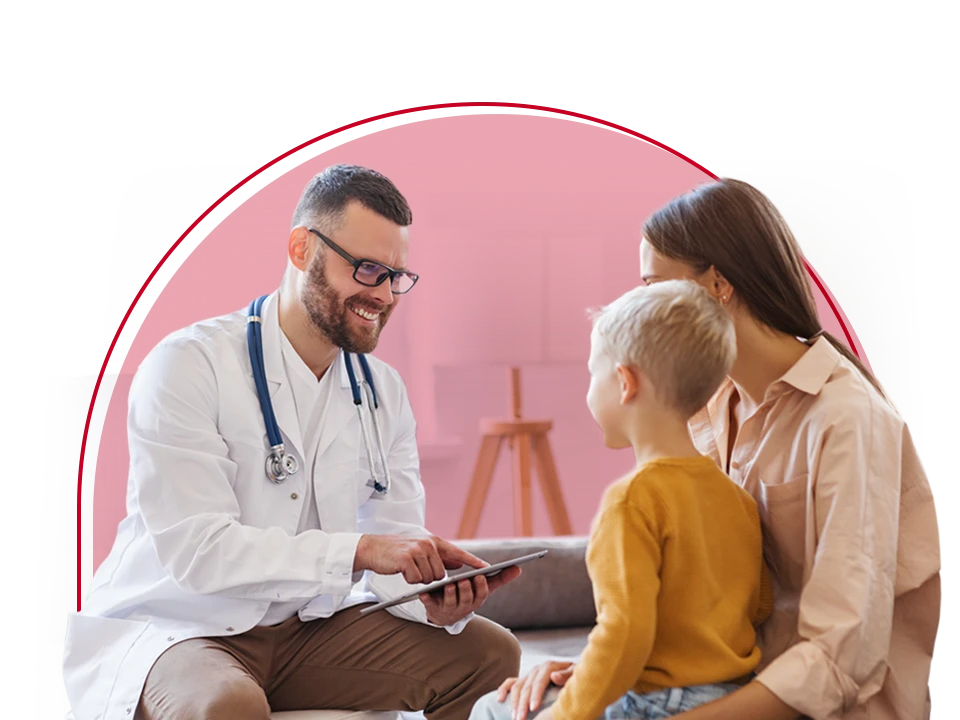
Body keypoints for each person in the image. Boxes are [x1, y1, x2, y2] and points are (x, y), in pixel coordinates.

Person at [61, 163, 523, 720]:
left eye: (397, 276)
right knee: (225, 704)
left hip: (307, 632)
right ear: (302, 249)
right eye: (368, 269)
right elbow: (199, 553)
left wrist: (436, 601)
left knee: (490, 652)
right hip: (184, 629)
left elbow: (392, 542)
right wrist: (359, 550)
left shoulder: (382, 392)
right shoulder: (188, 364)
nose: (383, 295)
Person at [503, 177, 940, 720]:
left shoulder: (849, 420)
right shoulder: (709, 407)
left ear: (716, 284)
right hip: (722, 687)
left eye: (652, 285)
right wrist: (594, 672)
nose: (638, 304)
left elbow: (839, 660)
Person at [471, 279, 775, 720]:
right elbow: (759, 604)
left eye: (592, 374)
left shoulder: (631, 501)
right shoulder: (736, 498)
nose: (590, 390)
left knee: (490, 710)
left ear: (624, 382)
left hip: (657, 703)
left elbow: (624, 634)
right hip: (730, 696)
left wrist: (566, 714)